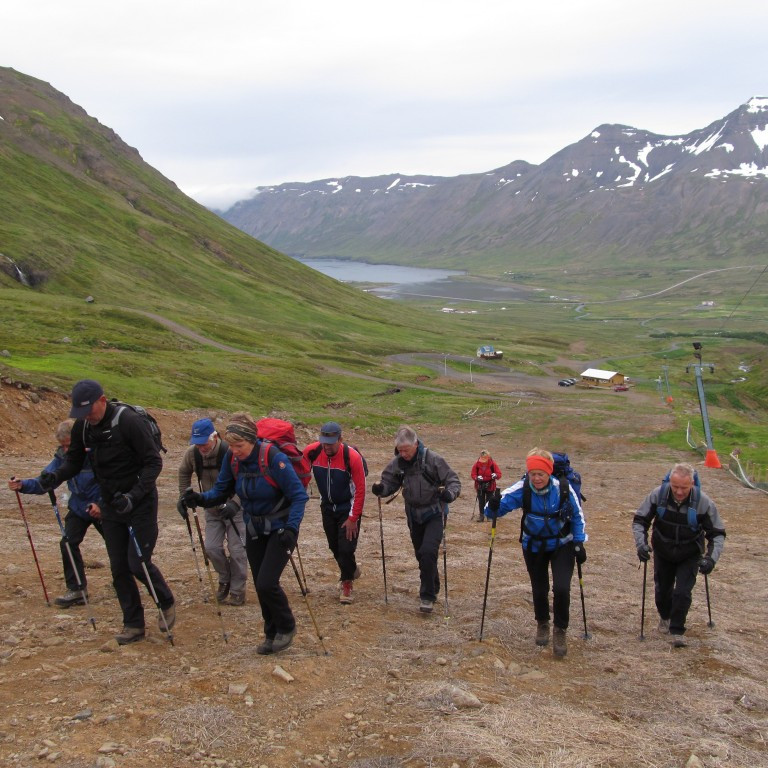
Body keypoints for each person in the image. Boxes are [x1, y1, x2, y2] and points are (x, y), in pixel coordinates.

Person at [36, 379, 175, 645]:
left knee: (137, 563)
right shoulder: (83, 428)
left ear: (103, 400)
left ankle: (166, 600)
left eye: (90, 410)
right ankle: (133, 624)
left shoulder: (128, 422)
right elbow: (74, 462)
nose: (87, 416)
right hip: (111, 502)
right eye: (81, 412)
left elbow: (153, 462)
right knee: (118, 567)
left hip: (140, 501)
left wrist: (133, 496)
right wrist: (52, 478)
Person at [183, 412, 308, 655]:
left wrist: (292, 528)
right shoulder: (233, 458)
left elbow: (299, 495)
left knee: (266, 582)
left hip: (281, 527)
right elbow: (220, 490)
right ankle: (271, 633)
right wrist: (199, 498)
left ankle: (287, 626)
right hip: (254, 527)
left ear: (252, 441)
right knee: (261, 584)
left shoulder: (273, 458)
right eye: (232, 445)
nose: (235, 450)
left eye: (239, 446)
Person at [485, 448, 586, 657]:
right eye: (533, 473)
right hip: (533, 545)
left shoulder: (563, 489)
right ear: (528, 473)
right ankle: (542, 623)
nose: (537, 478)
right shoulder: (523, 488)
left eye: (541, 473)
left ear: (549, 473)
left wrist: (579, 543)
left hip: (562, 544)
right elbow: (494, 510)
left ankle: (560, 630)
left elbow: (577, 517)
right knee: (539, 589)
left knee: (561, 588)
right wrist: (492, 506)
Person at [8, 419, 105, 607]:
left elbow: (112, 483)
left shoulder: (97, 454)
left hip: (102, 507)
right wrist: (22, 485)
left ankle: (125, 583)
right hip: (79, 507)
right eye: (63, 446)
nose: (67, 450)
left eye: (69, 445)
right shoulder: (62, 456)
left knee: (118, 546)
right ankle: (77, 589)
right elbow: (47, 480)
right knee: (68, 542)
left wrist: (102, 504)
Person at [632, 462, 726, 648]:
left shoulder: (703, 502)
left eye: (684, 487)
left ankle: (677, 630)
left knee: (683, 592)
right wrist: (641, 545)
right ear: (670, 482)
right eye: (675, 487)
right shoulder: (658, 495)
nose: (679, 492)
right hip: (663, 550)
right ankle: (665, 617)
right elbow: (640, 521)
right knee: (662, 590)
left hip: (690, 553)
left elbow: (716, 533)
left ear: (692, 484)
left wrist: (710, 559)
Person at [371, 425, 460, 614]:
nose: (403, 454)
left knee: (428, 552)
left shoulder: (433, 459)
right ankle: (433, 584)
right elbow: (389, 482)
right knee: (421, 555)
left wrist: (450, 494)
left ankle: (427, 596)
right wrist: (381, 489)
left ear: (416, 444)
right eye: (400, 450)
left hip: (435, 512)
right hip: (413, 515)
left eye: (406, 450)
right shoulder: (398, 463)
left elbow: (453, 480)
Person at [177, 417, 248, 605]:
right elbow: (184, 471)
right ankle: (225, 579)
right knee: (211, 548)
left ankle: (237, 590)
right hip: (211, 508)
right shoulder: (193, 454)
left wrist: (236, 503)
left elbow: (245, 480)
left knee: (237, 550)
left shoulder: (229, 452)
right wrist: (184, 496)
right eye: (197, 444)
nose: (201, 448)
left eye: (204, 443)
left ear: (214, 436)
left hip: (235, 509)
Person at [304, 421, 366, 604]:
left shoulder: (352, 457)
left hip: (348, 507)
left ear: (340, 439)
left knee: (346, 548)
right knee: (334, 546)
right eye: (323, 442)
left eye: (330, 443)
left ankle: (347, 583)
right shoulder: (313, 451)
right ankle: (351, 570)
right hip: (327, 507)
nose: (326, 446)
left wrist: (353, 518)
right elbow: (301, 473)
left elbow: (361, 490)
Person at [470, 449, 501, 522]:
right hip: (480, 485)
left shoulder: (493, 464)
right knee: (481, 501)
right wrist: (476, 477)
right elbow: (473, 474)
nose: (483, 462)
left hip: (490, 485)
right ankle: (481, 516)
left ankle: (489, 515)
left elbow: (499, 474)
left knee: (489, 500)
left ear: (489, 458)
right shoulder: (477, 464)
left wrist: (495, 475)